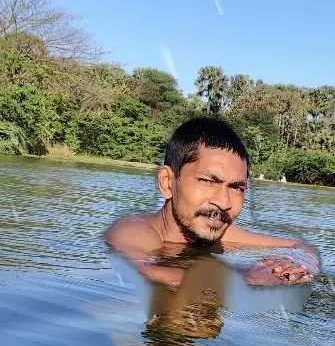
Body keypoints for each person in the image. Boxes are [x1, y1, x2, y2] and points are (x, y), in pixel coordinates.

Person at [105, 117, 320, 288]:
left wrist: (298, 268)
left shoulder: (222, 234)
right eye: (208, 181)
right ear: (168, 182)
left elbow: (300, 246)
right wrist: (243, 277)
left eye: (236, 187)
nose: (223, 202)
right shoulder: (135, 231)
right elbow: (143, 271)